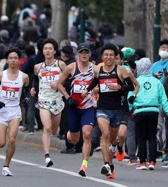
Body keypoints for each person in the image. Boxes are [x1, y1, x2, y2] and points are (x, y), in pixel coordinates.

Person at [82, 43, 135, 179]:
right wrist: (87, 90)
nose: (109, 57)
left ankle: (116, 151)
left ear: (115, 56)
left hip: (118, 109)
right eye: (106, 55)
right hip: (102, 108)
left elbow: (130, 86)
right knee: (104, 134)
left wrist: (118, 86)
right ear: (102, 56)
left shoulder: (121, 70)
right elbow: (95, 82)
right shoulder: (99, 70)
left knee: (113, 139)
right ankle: (107, 165)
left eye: (111, 55)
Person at [57, 43, 99, 177]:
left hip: (88, 108)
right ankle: (70, 133)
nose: (84, 54)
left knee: (87, 134)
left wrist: (95, 92)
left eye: (87, 52)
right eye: (82, 52)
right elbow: (59, 83)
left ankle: (84, 165)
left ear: (90, 54)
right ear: (78, 54)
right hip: (74, 108)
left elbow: (101, 82)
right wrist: (68, 97)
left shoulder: (95, 69)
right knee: (74, 140)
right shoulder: (71, 68)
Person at [133, 57, 168, 170]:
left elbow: (131, 97)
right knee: (152, 137)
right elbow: (164, 100)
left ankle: (142, 162)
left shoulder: (136, 81)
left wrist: (130, 107)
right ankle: (152, 161)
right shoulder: (157, 82)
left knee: (141, 137)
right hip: (153, 111)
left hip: (139, 110)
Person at [30, 38, 66, 167]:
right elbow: (35, 80)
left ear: (55, 51)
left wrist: (58, 85)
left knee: (54, 131)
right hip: (43, 100)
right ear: (42, 51)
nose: (48, 51)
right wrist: (33, 88)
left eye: (50, 48)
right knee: (47, 127)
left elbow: (68, 80)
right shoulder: (38, 67)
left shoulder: (61, 65)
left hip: (57, 100)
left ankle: (53, 136)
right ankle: (47, 156)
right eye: (45, 49)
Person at [0, 47, 29, 176]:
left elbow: (28, 90)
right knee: (1, 143)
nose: (13, 60)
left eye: (15, 58)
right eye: (10, 58)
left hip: (15, 111)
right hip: (2, 111)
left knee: (11, 140)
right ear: (7, 60)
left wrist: (27, 97)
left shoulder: (24, 77)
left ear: (19, 60)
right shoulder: (2, 74)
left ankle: (6, 166)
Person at [151, 39, 168, 161]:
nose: (163, 50)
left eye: (166, 48)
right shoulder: (155, 65)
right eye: (162, 48)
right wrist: (155, 77)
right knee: (158, 126)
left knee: (167, 126)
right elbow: (149, 78)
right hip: (156, 98)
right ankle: (158, 150)